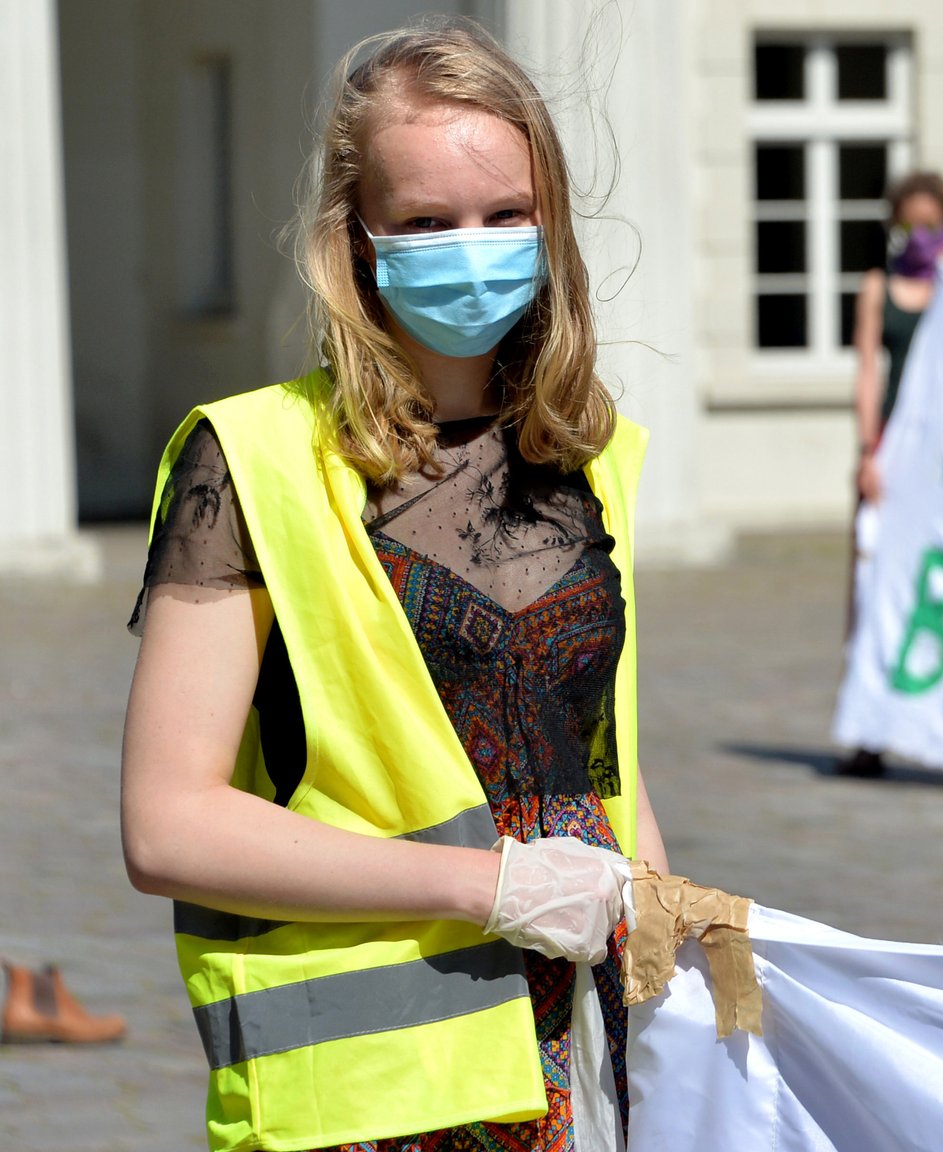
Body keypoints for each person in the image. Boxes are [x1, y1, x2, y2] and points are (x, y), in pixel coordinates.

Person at [120, 19, 667, 1150]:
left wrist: (661, 949)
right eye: (426, 222)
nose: (472, 247)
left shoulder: (593, 452)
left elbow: (599, 760)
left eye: (505, 214)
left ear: (549, 222)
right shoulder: (253, 461)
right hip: (361, 1101)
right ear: (357, 239)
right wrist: (489, 889)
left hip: (576, 1055)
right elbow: (167, 825)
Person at [836, 171, 943, 778]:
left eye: (932, 223)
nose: (921, 235)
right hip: (891, 445)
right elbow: (866, 370)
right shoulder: (879, 286)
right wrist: (867, 449)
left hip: (942, 455)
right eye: (910, 223)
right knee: (871, 582)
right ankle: (867, 731)